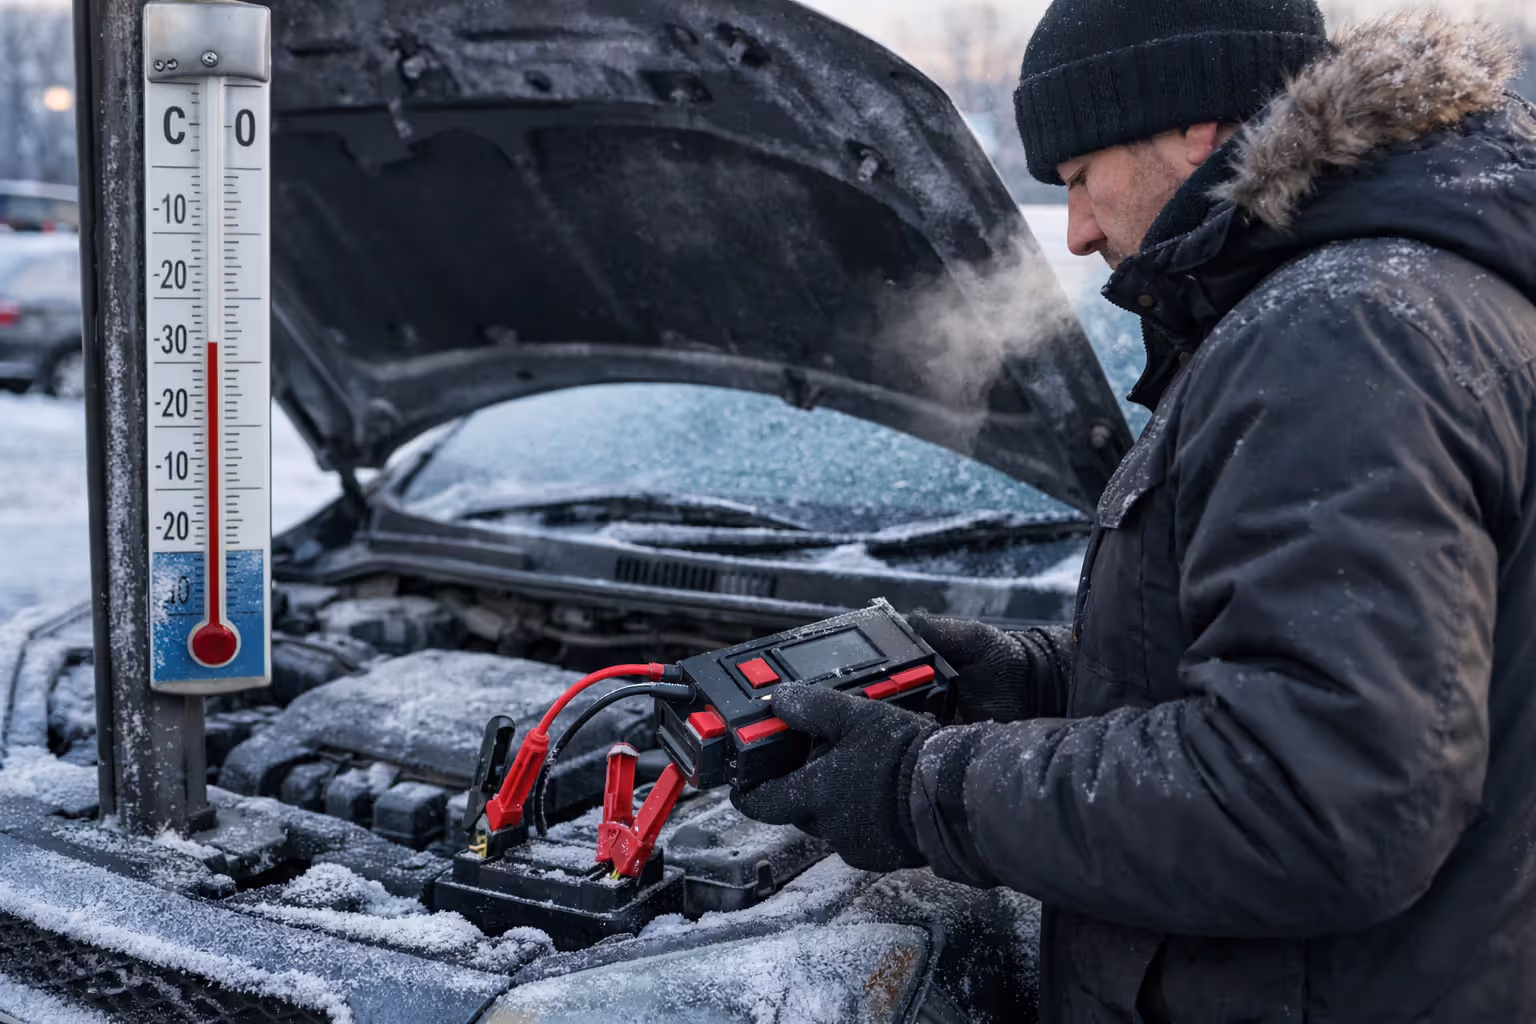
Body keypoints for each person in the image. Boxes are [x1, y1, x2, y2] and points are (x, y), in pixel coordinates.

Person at [732, 1, 1536, 1020]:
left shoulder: (1338, 331)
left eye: (1078, 178)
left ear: (1197, 126)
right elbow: (1355, 689)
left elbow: (1309, 801)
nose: (1077, 232)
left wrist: (920, 786)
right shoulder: (1396, 296)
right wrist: (1032, 680)